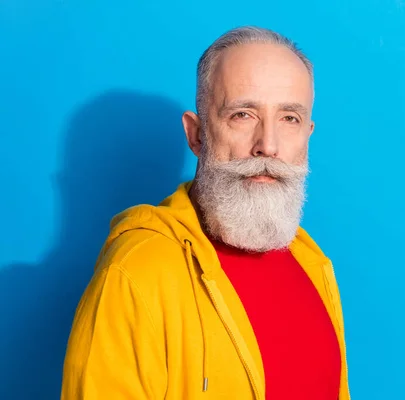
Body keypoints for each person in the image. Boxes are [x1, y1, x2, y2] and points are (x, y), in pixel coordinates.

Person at [60, 26, 351, 400]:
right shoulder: (135, 273)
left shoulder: (314, 266)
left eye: (289, 118)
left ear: (308, 133)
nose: (268, 145)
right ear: (196, 135)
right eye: (243, 114)